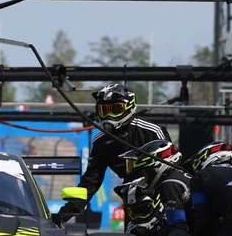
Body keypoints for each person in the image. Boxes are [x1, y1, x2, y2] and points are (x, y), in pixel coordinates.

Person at [55, 83, 170, 224]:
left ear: (129, 106)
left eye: (115, 109)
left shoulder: (152, 131)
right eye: (104, 111)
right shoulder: (100, 141)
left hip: (163, 197)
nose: (109, 115)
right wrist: (62, 217)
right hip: (132, 200)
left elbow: (172, 167)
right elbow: (91, 182)